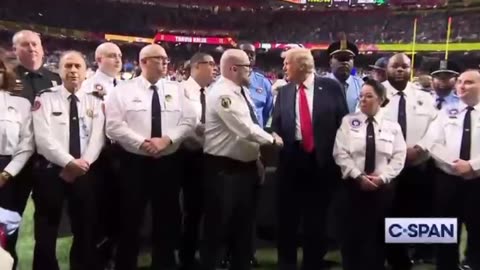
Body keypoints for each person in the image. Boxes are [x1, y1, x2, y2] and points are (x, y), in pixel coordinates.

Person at [105, 44, 196, 270]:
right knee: (130, 218)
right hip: (134, 163)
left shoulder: (177, 89)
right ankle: (125, 264)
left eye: (166, 59)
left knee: (167, 218)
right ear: (143, 61)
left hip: (168, 163)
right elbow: (113, 127)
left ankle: (163, 263)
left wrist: (167, 140)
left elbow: (189, 121)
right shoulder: (122, 91)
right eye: (160, 59)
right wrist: (143, 143)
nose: (166, 62)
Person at [201, 49, 282, 270]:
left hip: (244, 167)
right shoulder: (223, 94)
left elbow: (252, 124)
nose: (251, 70)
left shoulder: (240, 90)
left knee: (243, 226)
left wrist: (256, 157)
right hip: (224, 169)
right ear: (233, 68)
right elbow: (245, 129)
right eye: (247, 66)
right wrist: (272, 141)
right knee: (220, 226)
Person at [272, 48, 348, 270]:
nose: (284, 67)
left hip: (322, 162)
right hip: (291, 159)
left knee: (316, 219)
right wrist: (274, 134)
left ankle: (312, 263)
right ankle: (286, 264)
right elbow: (276, 123)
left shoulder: (331, 87)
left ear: (302, 65)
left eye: (287, 63)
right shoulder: (285, 91)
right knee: (287, 217)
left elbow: (343, 123)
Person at [32, 51, 105, 270]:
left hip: (85, 172)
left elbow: (98, 138)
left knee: (84, 227)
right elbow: (43, 139)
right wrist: (67, 162)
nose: (73, 70)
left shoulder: (95, 100)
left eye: (77, 66)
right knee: (46, 228)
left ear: (86, 72)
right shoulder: (44, 98)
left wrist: (83, 164)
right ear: (59, 70)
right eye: (68, 66)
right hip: (51, 173)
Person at [333, 79, 407, 270]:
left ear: (381, 99)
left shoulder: (393, 127)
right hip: (352, 188)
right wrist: (358, 176)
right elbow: (340, 153)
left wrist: (382, 178)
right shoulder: (349, 121)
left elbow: (399, 157)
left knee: (377, 237)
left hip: (382, 189)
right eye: (361, 96)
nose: (363, 100)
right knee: (351, 236)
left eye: (369, 96)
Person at [9, 30, 62, 266]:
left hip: (46, 161)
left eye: (35, 44)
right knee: (9, 219)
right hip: (14, 160)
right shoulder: (6, 78)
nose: (31, 48)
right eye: (25, 45)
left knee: (48, 220)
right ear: (15, 50)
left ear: (42, 48)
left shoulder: (55, 79)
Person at [420, 70, 480, 270]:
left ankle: (473, 263)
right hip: (448, 179)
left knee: (477, 230)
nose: (462, 86)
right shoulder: (446, 111)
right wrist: (455, 163)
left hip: (477, 181)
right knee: (445, 229)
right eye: (460, 82)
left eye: (469, 82)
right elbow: (433, 142)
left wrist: (472, 165)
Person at [382, 53, 437, 270]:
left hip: (417, 166)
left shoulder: (424, 97)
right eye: (395, 66)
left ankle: (408, 254)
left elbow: (435, 127)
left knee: (412, 212)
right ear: (387, 68)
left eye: (404, 66)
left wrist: (419, 148)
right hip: (386, 166)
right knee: (387, 213)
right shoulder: (375, 94)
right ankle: (392, 257)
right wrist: (394, 152)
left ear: (410, 69)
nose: (400, 70)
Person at [82, 42, 123, 270]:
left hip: (123, 154)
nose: (117, 60)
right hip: (101, 155)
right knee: (100, 208)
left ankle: (112, 253)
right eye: (111, 56)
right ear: (98, 60)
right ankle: (98, 258)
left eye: (119, 55)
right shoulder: (90, 87)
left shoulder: (125, 85)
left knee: (119, 207)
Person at [178, 52, 216, 270]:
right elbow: (182, 125)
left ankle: (203, 255)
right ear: (195, 66)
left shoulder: (213, 92)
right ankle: (185, 257)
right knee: (188, 211)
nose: (214, 68)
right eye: (209, 64)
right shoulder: (179, 90)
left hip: (209, 157)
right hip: (185, 157)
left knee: (205, 209)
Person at [0, 52, 34, 264]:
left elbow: (27, 143)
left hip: (12, 174)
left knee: (7, 235)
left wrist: (7, 173)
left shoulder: (21, 104)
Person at [239, 43, 273, 128]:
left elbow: (267, 112)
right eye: (246, 53)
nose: (250, 56)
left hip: (257, 137)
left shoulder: (264, 83)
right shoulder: (225, 81)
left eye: (252, 54)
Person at [325, 38, 364, 113]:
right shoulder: (320, 85)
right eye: (340, 58)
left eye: (348, 58)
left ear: (353, 62)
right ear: (330, 62)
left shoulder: (361, 85)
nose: (344, 62)